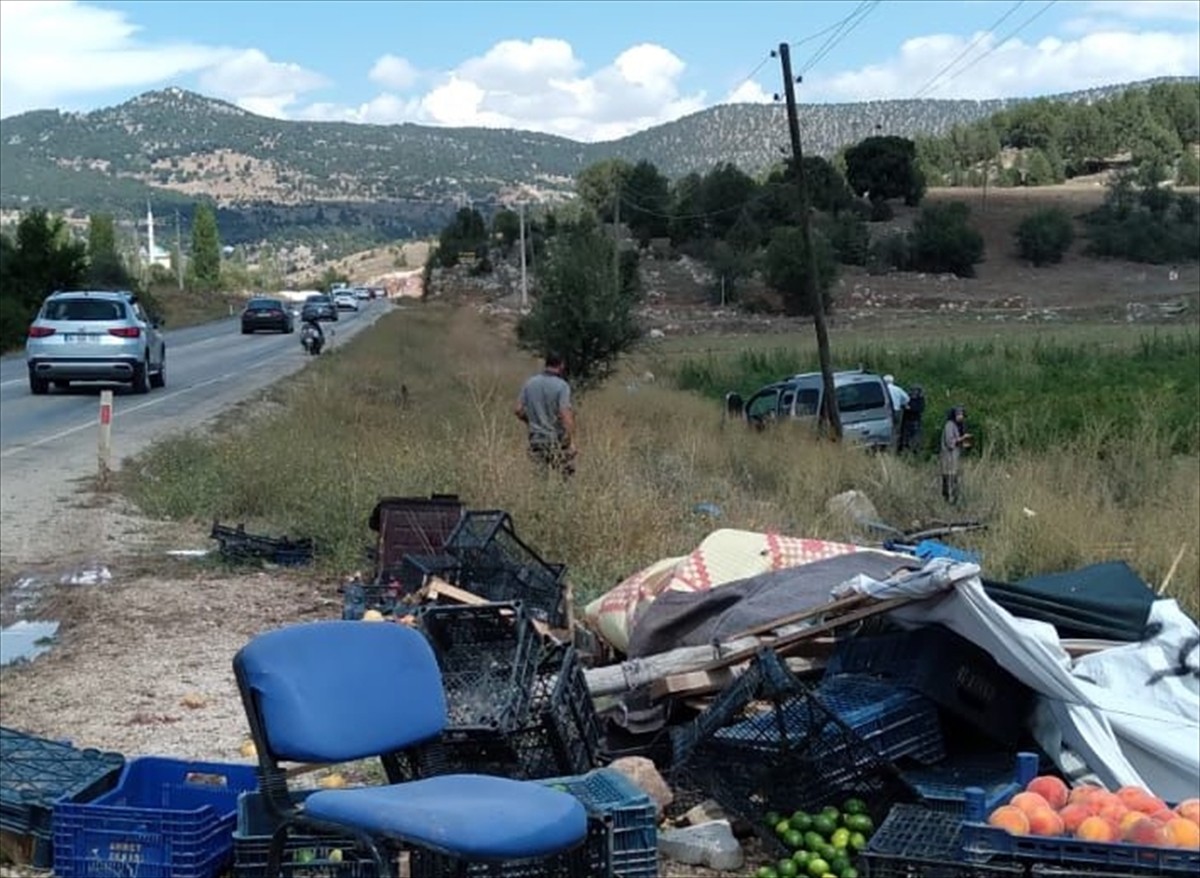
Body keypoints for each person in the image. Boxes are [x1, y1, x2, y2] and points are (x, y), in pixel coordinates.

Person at [516, 352, 576, 477]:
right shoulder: (562, 386)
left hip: (536, 439)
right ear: (561, 365)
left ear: (546, 364)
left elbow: (518, 409)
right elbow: (565, 414)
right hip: (556, 440)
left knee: (540, 478)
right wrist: (570, 440)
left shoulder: (530, 383)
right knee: (564, 477)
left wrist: (530, 421)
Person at [939, 405, 972, 504]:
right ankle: (947, 498)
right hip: (948, 456)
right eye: (958, 414)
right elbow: (950, 442)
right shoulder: (949, 425)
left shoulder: (959, 425)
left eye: (961, 414)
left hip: (955, 456)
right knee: (948, 477)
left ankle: (954, 499)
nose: (961, 417)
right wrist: (962, 439)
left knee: (955, 477)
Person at [899, 384, 925, 453]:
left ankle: (914, 450)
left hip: (915, 421)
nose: (913, 392)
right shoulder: (908, 398)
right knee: (905, 437)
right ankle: (905, 449)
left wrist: (910, 408)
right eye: (912, 390)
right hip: (907, 420)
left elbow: (919, 408)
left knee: (915, 437)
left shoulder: (920, 399)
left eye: (915, 390)